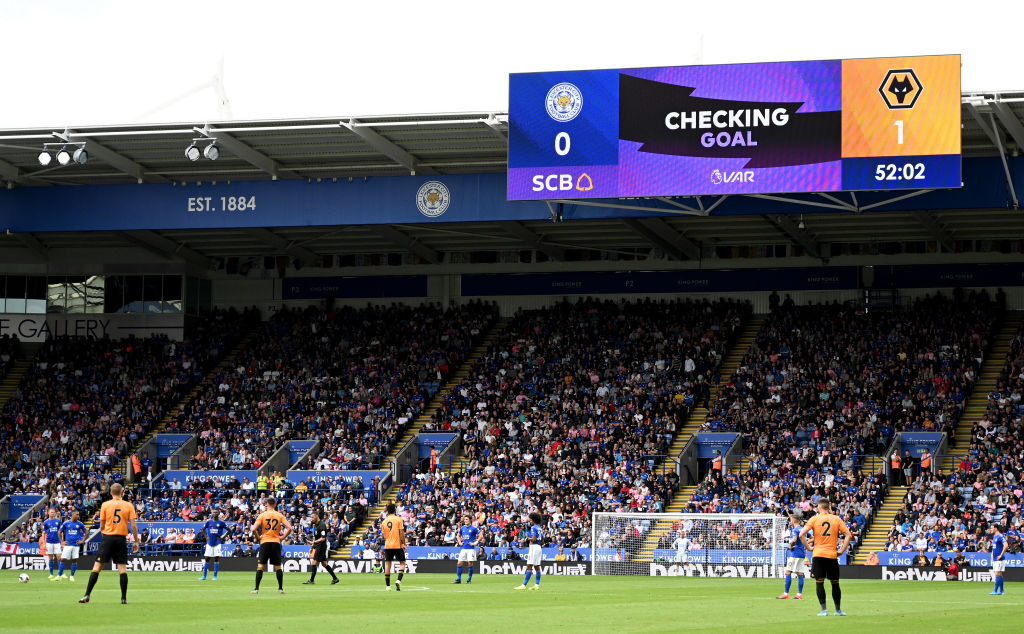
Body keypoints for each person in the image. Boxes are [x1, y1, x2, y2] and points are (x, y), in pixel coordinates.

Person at [79, 483, 139, 604]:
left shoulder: (105, 505)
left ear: (111, 493)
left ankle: (87, 595)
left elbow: (101, 524)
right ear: (122, 493)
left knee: (97, 567)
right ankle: (123, 598)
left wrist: (104, 534)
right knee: (122, 569)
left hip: (108, 537)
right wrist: (136, 541)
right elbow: (133, 525)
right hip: (121, 538)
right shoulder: (128, 505)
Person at [799, 499, 851, 617]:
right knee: (835, 583)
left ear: (819, 507)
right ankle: (838, 610)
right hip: (832, 555)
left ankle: (824, 610)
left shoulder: (814, 519)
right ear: (828, 507)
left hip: (818, 554)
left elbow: (801, 534)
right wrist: (842, 550)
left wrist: (808, 547)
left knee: (819, 583)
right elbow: (848, 534)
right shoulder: (836, 519)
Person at [250, 497, 292, 595]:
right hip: (276, 542)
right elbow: (289, 528)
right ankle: (280, 589)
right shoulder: (279, 515)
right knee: (278, 566)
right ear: (275, 504)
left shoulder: (262, 515)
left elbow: (253, 529)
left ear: (267, 504)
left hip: (265, 542)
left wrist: (259, 538)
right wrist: (282, 537)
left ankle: (256, 589)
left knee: (260, 566)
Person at [304, 510, 339, 585]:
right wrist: (313, 546)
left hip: (321, 546)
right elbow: (317, 538)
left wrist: (314, 543)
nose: (312, 519)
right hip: (318, 545)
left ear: (317, 516)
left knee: (314, 562)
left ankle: (312, 580)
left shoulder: (322, 525)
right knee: (324, 564)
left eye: (313, 517)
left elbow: (323, 538)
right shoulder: (316, 525)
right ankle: (335, 578)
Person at [777, 514, 807, 600]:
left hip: (795, 554)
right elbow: (811, 538)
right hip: (801, 554)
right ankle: (799, 594)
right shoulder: (803, 529)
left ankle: (786, 593)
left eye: (790, 519)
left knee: (788, 572)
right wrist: (804, 545)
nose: (789, 521)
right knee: (800, 574)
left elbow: (794, 540)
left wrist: (790, 546)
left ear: (794, 520)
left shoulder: (795, 530)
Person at [380, 503, 407, 591]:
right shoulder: (398, 519)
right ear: (395, 510)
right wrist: (404, 544)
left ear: (387, 511)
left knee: (388, 565)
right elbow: (402, 533)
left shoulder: (384, 521)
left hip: (388, 545)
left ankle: (388, 586)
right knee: (402, 563)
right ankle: (398, 580)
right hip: (397, 545)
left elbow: (384, 536)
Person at [514, 512, 543, 591]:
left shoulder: (533, 528)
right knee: (537, 567)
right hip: (539, 547)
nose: (530, 521)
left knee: (529, 566)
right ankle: (537, 585)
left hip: (534, 547)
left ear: (533, 520)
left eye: (530, 520)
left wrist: (528, 537)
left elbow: (533, 539)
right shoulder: (540, 528)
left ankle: (524, 585)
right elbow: (542, 541)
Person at [199, 511, 231, 581]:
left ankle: (215, 576)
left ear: (218, 514)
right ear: (212, 514)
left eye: (216, 512)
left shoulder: (221, 522)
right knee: (207, 558)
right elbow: (202, 529)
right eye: (214, 512)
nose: (215, 513)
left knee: (216, 558)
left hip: (217, 543)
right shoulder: (208, 522)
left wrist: (223, 537)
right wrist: (206, 536)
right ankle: (204, 576)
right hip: (210, 542)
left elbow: (229, 530)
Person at [58, 510, 87, 581]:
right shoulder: (66, 523)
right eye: (77, 514)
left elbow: (86, 532)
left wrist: (82, 541)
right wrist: (61, 542)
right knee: (63, 559)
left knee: (74, 560)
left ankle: (71, 576)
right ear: (73, 514)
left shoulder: (80, 524)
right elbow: (59, 532)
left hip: (76, 545)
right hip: (67, 545)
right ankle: (59, 576)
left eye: (78, 514)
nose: (78, 516)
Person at [453, 514, 480, 584]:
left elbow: (481, 535)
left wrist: (476, 542)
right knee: (459, 563)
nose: (465, 521)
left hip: (471, 549)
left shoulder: (474, 528)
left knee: (470, 563)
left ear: (470, 520)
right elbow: (458, 535)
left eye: (467, 519)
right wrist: (459, 541)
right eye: (464, 519)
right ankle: (459, 579)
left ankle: (469, 579)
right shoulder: (462, 528)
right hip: (463, 548)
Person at [42, 509, 62, 581]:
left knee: (59, 557)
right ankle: (51, 574)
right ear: (48, 513)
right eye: (51, 512)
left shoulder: (58, 521)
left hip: (57, 542)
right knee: (51, 558)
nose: (52, 513)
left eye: (53, 512)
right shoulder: (46, 522)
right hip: (49, 542)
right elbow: (43, 533)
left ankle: (60, 573)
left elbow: (61, 532)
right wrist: (44, 543)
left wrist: (62, 541)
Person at [989, 525, 1006, 596]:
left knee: (997, 574)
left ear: (996, 528)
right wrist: (992, 553)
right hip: (995, 558)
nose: (991, 529)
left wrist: (1001, 555)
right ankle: (1001, 591)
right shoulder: (995, 536)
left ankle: (995, 590)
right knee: (999, 575)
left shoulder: (1000, 536)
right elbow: (994, 547)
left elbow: (1006, 545)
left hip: (999, 559)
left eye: (992, 528)